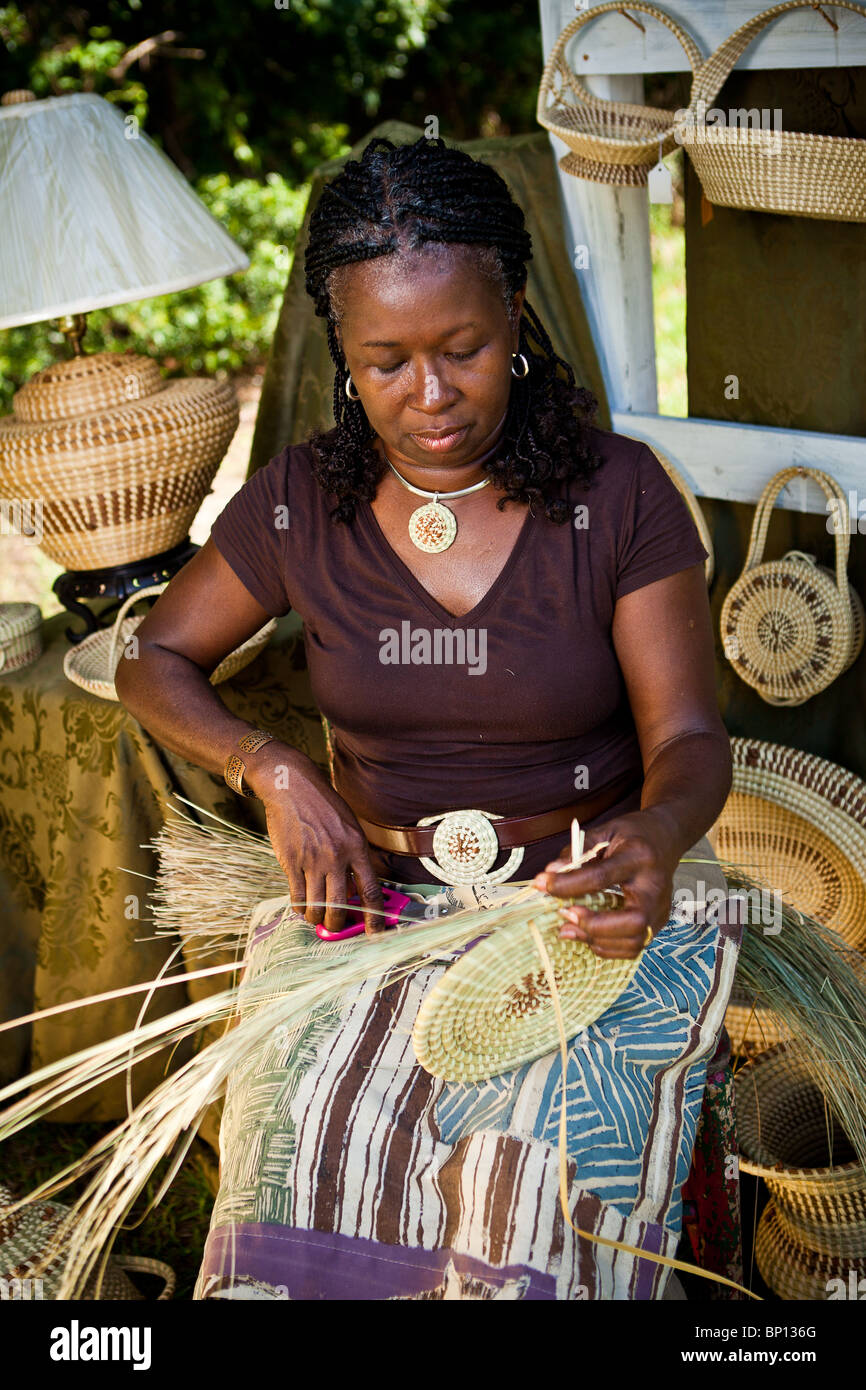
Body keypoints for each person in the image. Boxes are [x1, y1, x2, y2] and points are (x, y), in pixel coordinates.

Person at [115, 135, 739, 1300]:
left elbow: (689, 742)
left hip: (579, 911)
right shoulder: (304, 502)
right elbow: (152, 659)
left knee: (536, 1203)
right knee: (306, 1169)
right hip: (371, 909)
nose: (431, 394)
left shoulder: (617, 495)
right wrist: (276, 773)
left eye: (462, 347)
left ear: (513, 317)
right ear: (342, 357)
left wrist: (653, 839)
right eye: (385, 361)